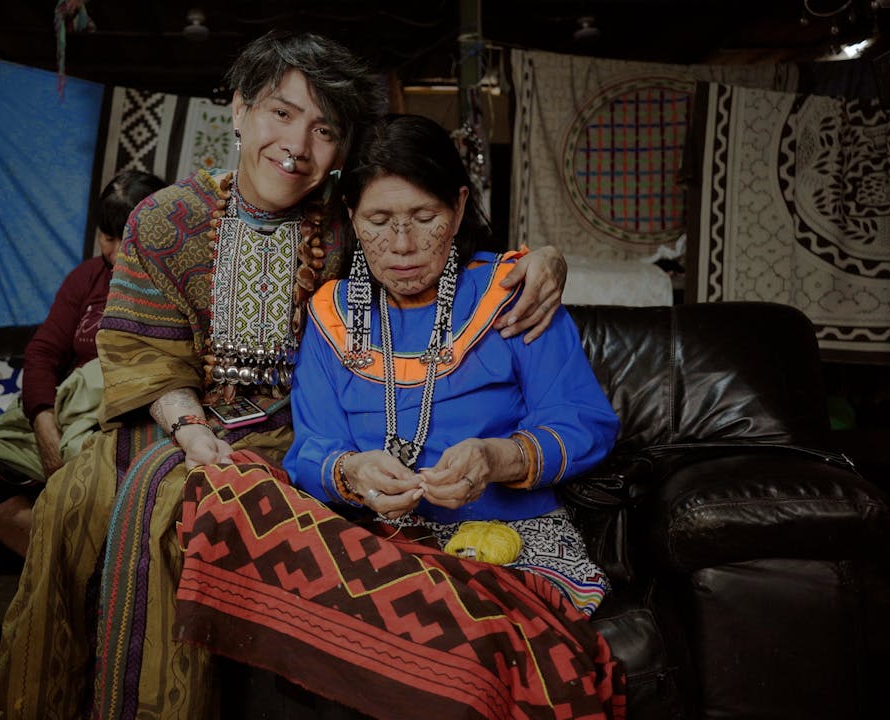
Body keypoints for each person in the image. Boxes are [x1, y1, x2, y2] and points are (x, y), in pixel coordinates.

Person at [0, 31, 569, 719]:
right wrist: (192, 429)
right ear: (237, 110)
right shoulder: (165, 220)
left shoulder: (354, 220)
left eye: (325, 129)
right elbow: (146, 352)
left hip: (294, 439)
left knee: (191, 510)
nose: (299, 144)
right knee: (78, 501)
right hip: (169, 423)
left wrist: (547, 258)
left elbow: (449, 241)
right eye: (281, 113)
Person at [172, 114, 623, 719]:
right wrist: (352, 471)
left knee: (421, 640)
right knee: (237, 499)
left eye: (425, 218)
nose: (404, 246)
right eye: (379, 222)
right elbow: (311, 448)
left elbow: (585, 424)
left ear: (459, 208)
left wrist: (497, 458)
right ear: (351, 219)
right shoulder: (332, 315)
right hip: (376, 546)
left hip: (508, 546)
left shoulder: (512, 293)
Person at [0, 170, 166, 561]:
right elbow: (43, 353)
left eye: (125, 239)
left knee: (105, 483)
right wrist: (45, 424)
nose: (113, 252)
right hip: (69, 413)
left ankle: (81, 572)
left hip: (128, 418)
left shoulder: (173, 285)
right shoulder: (87, 278)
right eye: (106, 236)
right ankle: (71, 567)